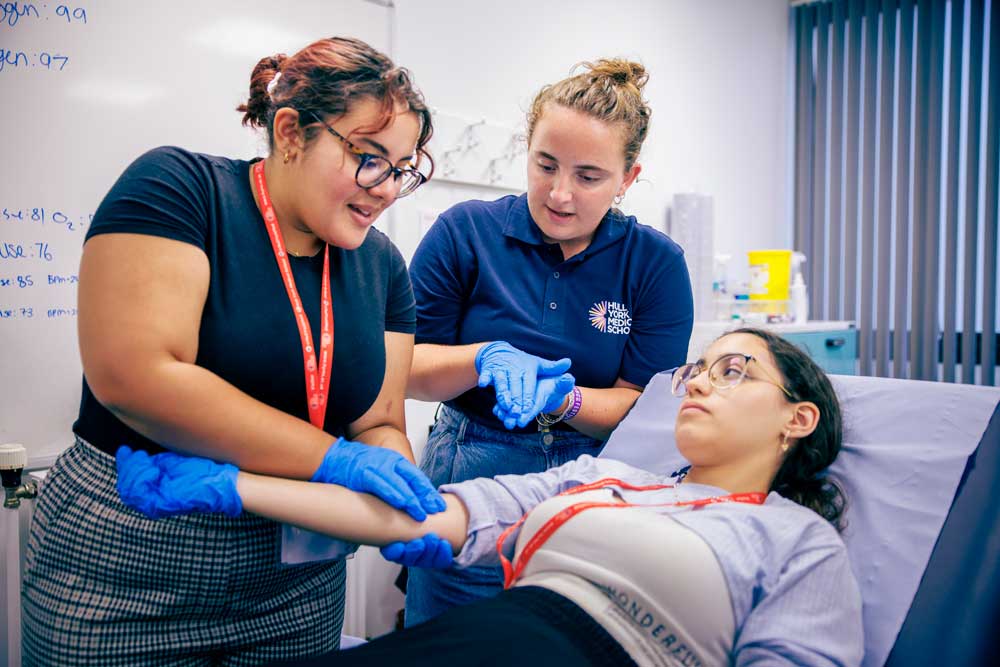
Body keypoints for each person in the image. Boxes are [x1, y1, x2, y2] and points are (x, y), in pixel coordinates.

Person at [21, 37, 446, 666]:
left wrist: (398, 490)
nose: (385, 188)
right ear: (292, 131)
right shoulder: (181, 191)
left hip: (297, 583)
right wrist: (335, 461)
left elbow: (378, 420)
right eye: (369, 157)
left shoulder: (381, 265)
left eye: (404, 167)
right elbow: (138, 378)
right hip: (131, 560)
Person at [116, 328, 864, 667]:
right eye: (697, 369)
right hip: (480, 636)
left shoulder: (797, 541)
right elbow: (424, 513)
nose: (699, 380)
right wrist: (234, 486)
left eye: (733, 370)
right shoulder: (598, 479)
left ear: (797, 419)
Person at [404, 58, 695, 623]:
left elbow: (643, 404)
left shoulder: (655, 263)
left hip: (593, 477)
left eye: (589, 177)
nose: (560, 194)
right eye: (545, 165)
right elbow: (406, 368)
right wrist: (480, 359)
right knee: (449, 643)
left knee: (563, 638)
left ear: (628, 178)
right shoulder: (466, 232)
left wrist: (565, 400)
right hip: (472, 457)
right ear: (527, 151)